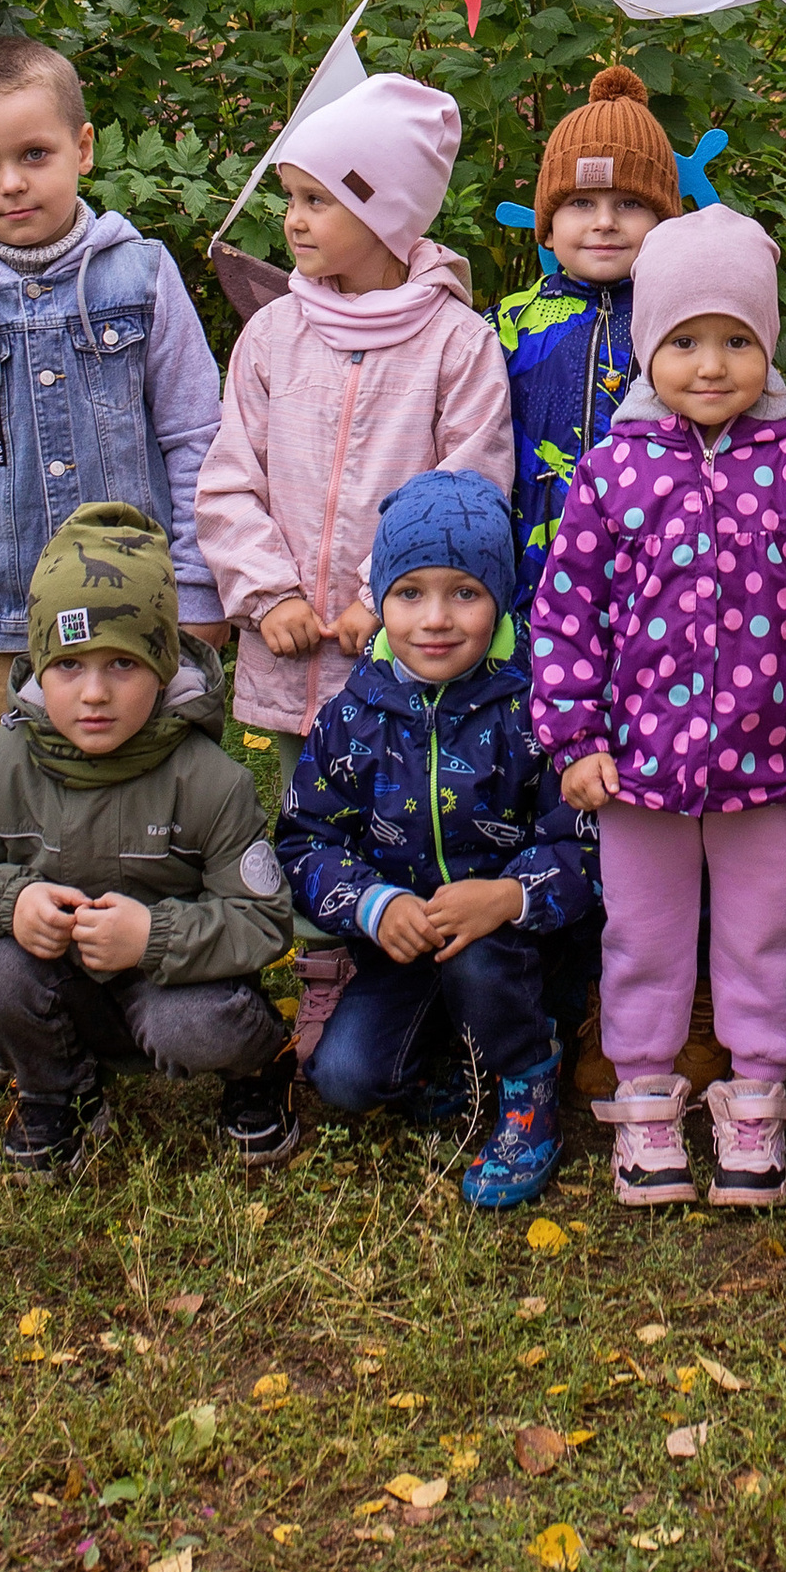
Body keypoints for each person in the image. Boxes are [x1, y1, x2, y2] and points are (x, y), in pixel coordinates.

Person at [0, 34, 226, 1103]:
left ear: (82, 146)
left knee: (147, 789)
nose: (11, 183)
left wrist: (200, 597)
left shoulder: (141, 276)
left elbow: (197, 436)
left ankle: (157, 968)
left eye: (33, 154)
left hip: (133, 619)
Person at [533, 206, 786, 1207]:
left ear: (768, 345)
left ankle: (755, 1094)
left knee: (761, 934)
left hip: (770, 770)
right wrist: (573, 739)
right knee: (641, 936)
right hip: (636, 772)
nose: (711, 363)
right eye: (684, 340)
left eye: (737, 339)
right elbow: (567, 614)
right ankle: (646, 1100)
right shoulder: (612, 469)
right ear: (650, 347)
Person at [197, 70, 513, 1063]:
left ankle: (436, 991)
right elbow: (228, 476)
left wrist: (384, 595)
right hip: (294, 645)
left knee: (419, 808)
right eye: (290, 197)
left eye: (316, 199)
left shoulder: (454, 343)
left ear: (387, 213)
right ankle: (326, 971)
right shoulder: (272, 335)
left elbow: (469, 480)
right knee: (312, 814)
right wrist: (271, 594)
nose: (291, 221)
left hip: (404, 646)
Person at [0, 506, 298, 1184]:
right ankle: (55, 1088)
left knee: (196, 1025)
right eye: (68, 666)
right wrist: (13, 902)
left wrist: (152, 935)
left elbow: (264, 921)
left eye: (123, 663)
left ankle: (259, 1067)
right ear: (38, 668)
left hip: (174, 985)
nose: (94, 693)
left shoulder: (211, 780)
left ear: (162, 664)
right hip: (60, 984)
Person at [277, 469, 595, 1206]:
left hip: (514, 946)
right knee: (346, 1080)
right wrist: (374, 906)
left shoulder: (535, 708)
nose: (436, 619)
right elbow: (304, 840)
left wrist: (510, 896)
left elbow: (587, 842)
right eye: (411, 593)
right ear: (382, 600)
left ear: (501, 598)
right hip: (400, 948)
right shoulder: (352, 715)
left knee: (482, 966)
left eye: (466, 592)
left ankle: (527, 1075)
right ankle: (449, 1059)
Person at [496, 65, 681, 602]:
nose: (605, 222)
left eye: (629, 204)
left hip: (655, 581)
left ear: (664, 222)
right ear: (548, 227)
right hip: (527, 578)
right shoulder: (503, 327)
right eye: (581, 203)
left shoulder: (680, 326)